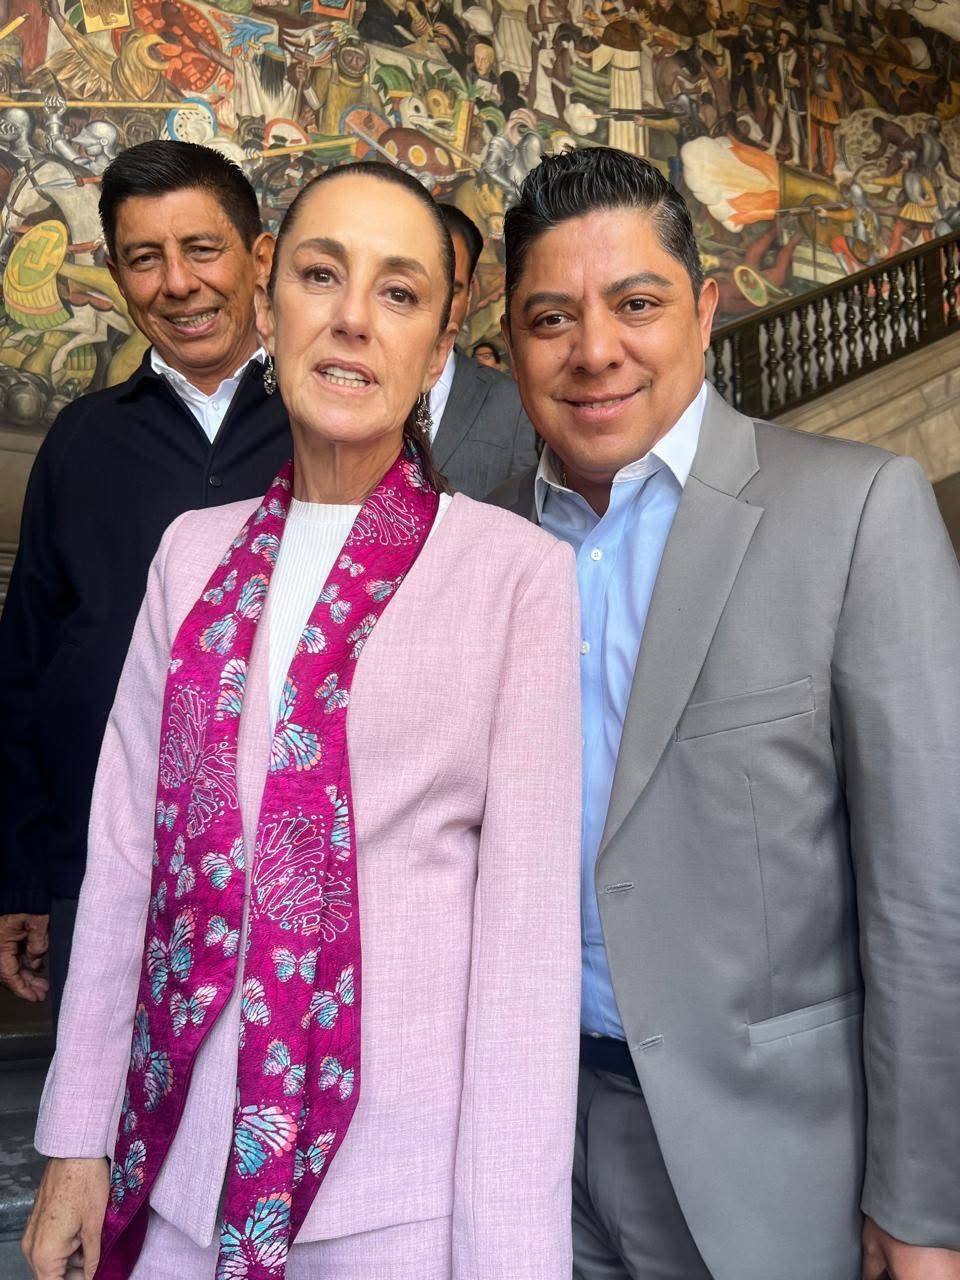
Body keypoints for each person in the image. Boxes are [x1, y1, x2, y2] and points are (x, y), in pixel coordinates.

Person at [23, 160, 581, 1280]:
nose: (352, 318)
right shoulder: (192, 554)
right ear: (271, 296)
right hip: (175, 1165)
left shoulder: (514, 573)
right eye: (323, 275)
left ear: (439, 344)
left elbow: (525, 953)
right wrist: (77, 1143)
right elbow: (129, 862)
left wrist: (509, 1253)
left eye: (399, 292)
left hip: (400, 1203)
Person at [490, 147, 960, 1280]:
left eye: (636, 304)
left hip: (772, 1163)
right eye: (552, 319)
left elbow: (929, 894)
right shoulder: (484, 541)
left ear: (703, 311)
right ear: (508, 343)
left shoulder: (854, 512)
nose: (594, 350)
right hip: (525, 1145)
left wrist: (924, 1205)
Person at [0, 140, 291, 1021]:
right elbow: (24, 670)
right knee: (98, 1101)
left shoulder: (332, 425)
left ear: (260, 257)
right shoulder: (81, 442)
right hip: (102, 871)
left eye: (201, 249)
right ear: (119, 277)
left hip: (290, 876)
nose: (177, 284)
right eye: (143, 258)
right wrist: (22, 874)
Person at [429, 202, 538, 498]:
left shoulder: (510, 402)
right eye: (411, 288)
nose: (436, 308)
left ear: (470, 294)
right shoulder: (347, 386)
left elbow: (521, 511)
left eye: (452, 290)